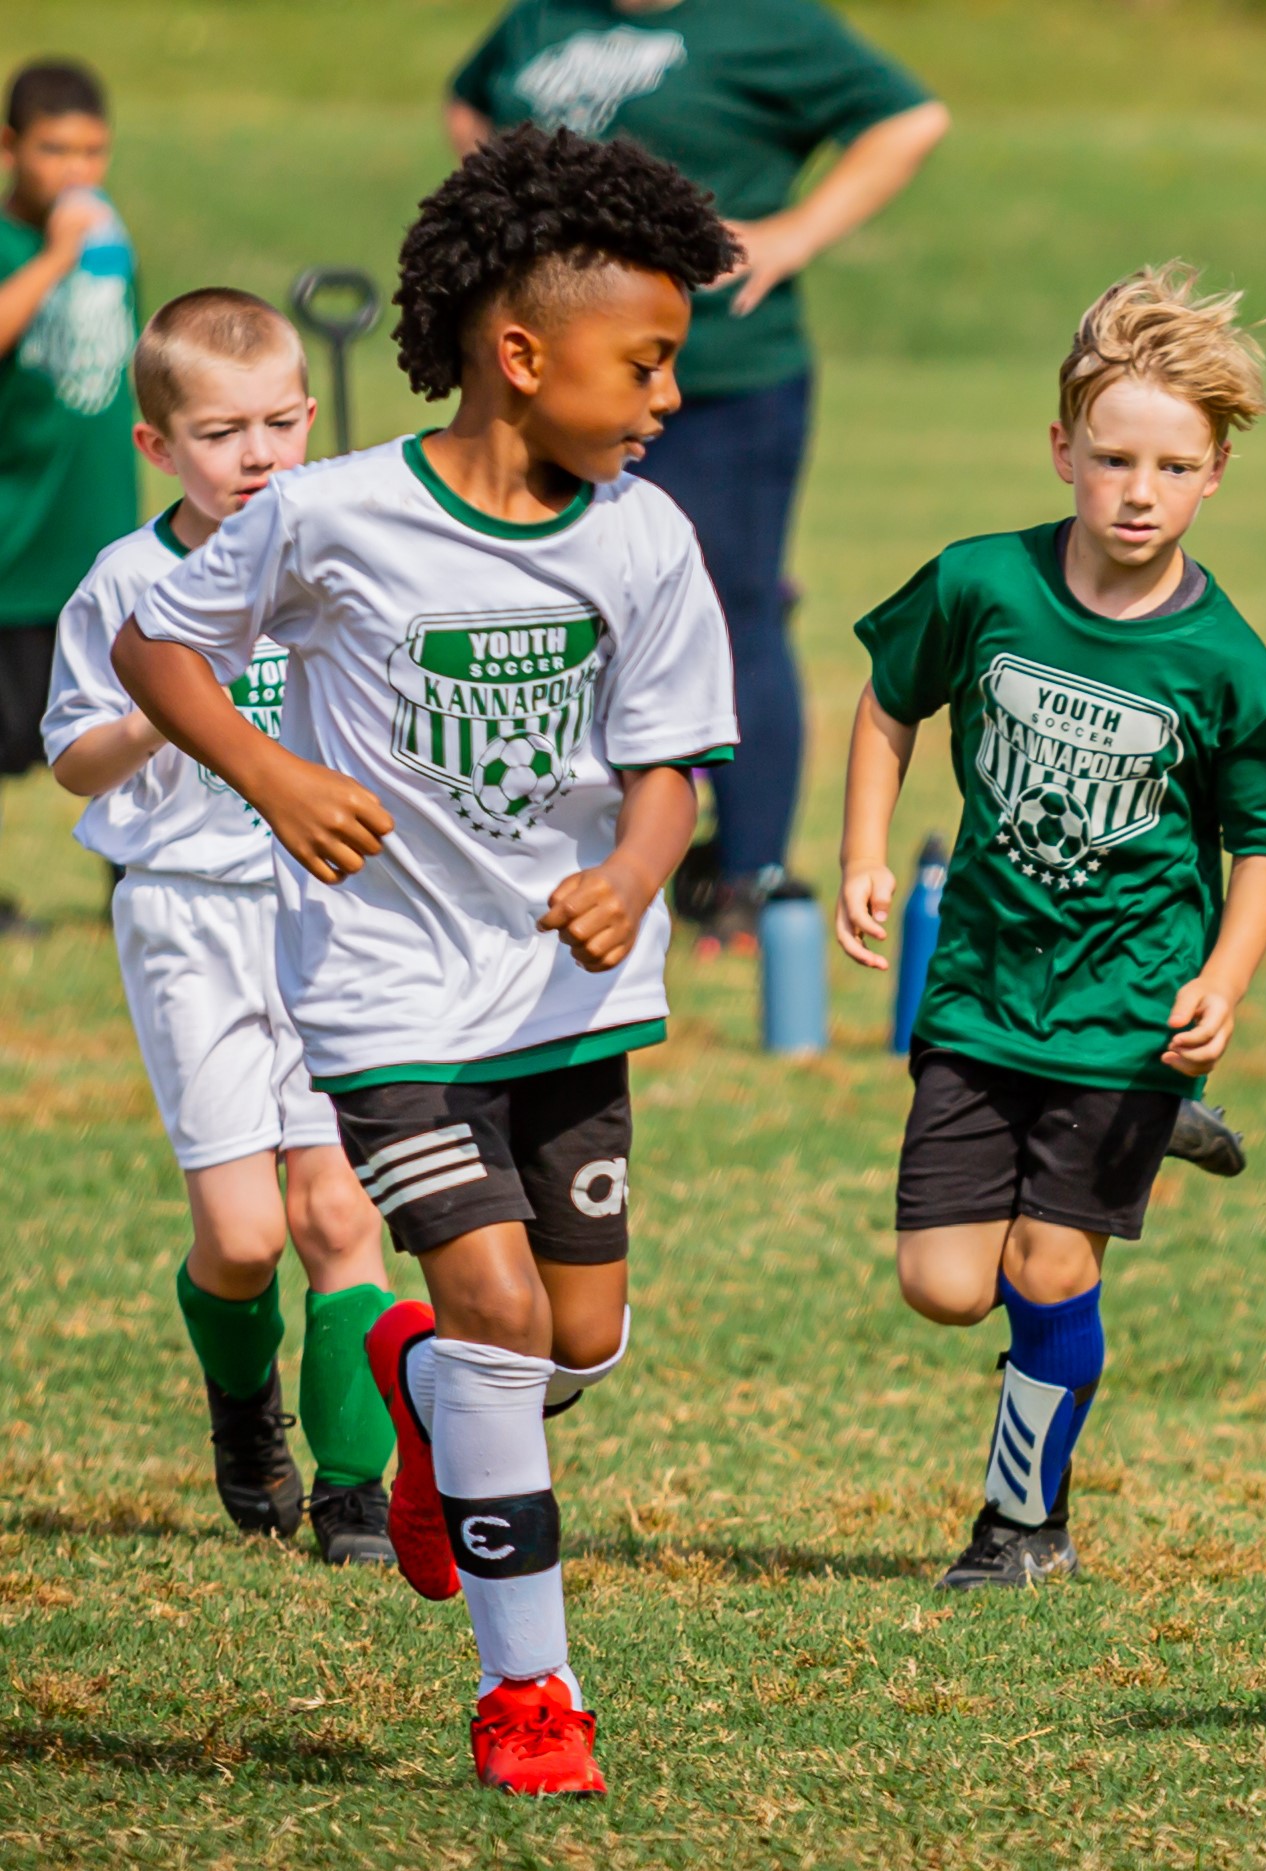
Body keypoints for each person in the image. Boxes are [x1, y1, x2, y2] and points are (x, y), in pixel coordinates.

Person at [114, 127, 740, 1797]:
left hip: (568, 1000)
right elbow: (153, 642)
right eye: (648, 361)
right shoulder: (331, 517)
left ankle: (419, 1393)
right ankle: (529, 1693)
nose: (669, 397)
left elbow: (676, 761)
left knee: (573, 1347)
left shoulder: (643, 540)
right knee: (492, 1304)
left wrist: (630, 867)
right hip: (390, 1000)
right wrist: (271, 773)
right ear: (521, 357)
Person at [834, 265, 1266, 1591]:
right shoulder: (979, 585)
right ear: (1061, 447)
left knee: (1049, 1259)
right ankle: (1137, 1153)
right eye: (1113, 457)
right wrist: (863, 852)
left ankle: (1021, 1523)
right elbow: (889, 698)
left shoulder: (1222, 657)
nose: (1138, 490)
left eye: (1174, 465)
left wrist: (1224, 978)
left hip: (1130, 1007)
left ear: (1215, 472)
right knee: (945, 1282)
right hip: (984, 989)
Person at [448, 0, 949, 949]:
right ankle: (546, 845)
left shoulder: (766, 21)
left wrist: (796, 231)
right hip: (558, 378)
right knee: (551, 606)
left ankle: (747, 877)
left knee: (732, 604)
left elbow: (909, 116)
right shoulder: (542, 17)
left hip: (722, 374)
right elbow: (470, 103)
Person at [41, 289, 398, 1565]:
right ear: (158, 446)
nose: (255, 455)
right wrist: (164, 699)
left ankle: (358, 1482)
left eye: (278, 424)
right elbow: (78, 761)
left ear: (310, 418)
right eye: (219, 432)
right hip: (188, 919)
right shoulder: (129, 582)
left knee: (339, 1216)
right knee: (244, 1239)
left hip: (331, 908)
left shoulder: (346, 552)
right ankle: (245, 1406)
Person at [0, 57, 136, 935]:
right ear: (11, 147)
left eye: (91, 151)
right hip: (16, 542)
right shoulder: (27, 244)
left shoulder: (110, 241)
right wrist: (54, 255)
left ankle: (134, 885)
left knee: (132, 723)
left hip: (100, 535)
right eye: (55, 149)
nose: (76, 171)